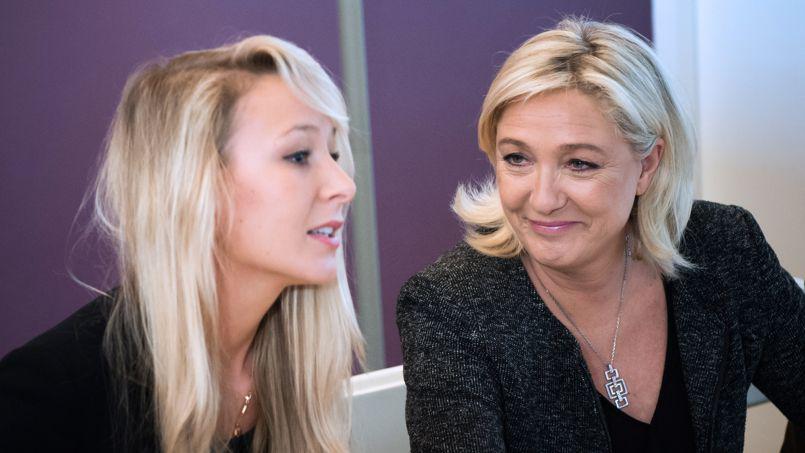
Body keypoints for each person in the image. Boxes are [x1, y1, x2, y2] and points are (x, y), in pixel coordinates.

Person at [397, 17, 805, 452]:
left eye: (579, 164)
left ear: (647, 166)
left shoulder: (723, 245)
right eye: (517, 158)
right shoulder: (451, 308)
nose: (543, 199)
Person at [0, 35, 363, 453]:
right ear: (194, 185)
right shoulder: (46, 397)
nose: (344, 186)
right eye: (298, 155)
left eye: (334, 154)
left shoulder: (295, 369)